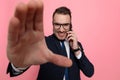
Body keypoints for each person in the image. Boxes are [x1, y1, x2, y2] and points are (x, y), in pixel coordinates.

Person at [7, 0, 94, 80]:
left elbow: (89, 72)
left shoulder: (77, 45)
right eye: (57, 24)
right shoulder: (42, 42)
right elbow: (17, 68)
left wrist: (76, 50)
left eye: (65, 25)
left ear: (70, 25)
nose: (61, 29)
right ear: (52, 24)